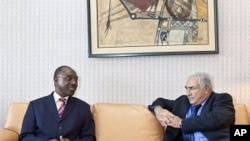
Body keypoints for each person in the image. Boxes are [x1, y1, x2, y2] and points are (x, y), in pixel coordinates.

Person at [148, 72, 235, 141]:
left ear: (206, 89)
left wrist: (181, 123)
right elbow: (160, 101)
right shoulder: (182, 101)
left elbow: (216, 119)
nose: (188, 93)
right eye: (186, 88)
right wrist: (158, 110)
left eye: (192, 88)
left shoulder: (221, 99)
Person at [19, 66, 96, 141]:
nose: (74, 83)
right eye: (68, 78)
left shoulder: (83, 107)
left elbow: (89, 137)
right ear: (56, 80)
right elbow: (25, 136)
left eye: (76, 79)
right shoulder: (35, 106)